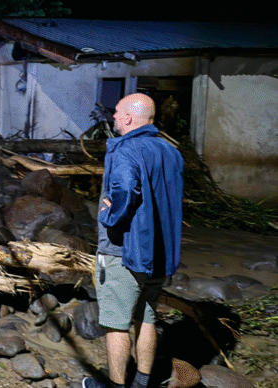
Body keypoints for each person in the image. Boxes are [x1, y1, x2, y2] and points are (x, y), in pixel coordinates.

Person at [84, 93, 184, 388]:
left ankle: (116, 385)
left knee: (116, 324)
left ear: (128, 117)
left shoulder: (126, 150)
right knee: (147, 317)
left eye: (116, 113)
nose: (113, 117)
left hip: (123, 252)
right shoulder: (171, 152)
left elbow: (126, 190)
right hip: (159, 252)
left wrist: (109, 216)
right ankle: (141, 383)